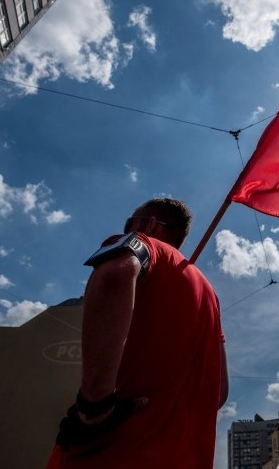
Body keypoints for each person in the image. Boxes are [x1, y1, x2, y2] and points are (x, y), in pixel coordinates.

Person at [46, 198, 228, 468]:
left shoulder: (144, 245)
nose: (128, 228)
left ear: (150, 224)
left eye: (129, 222)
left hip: (112, 454)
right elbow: (220, 393)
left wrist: (93, 406)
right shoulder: (211, 297)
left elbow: (113, 275)